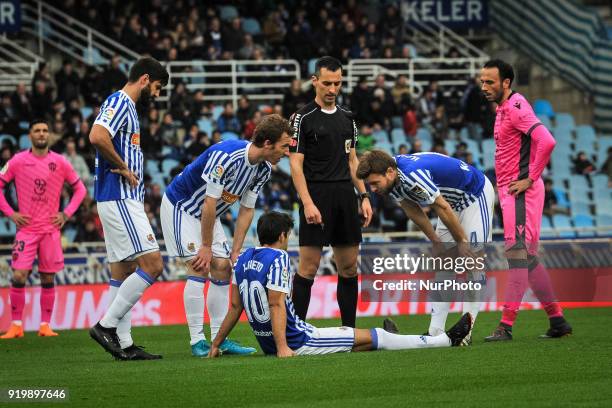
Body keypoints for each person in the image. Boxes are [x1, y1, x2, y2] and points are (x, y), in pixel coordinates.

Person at [208, 211, 473, 358]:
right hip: (299, 340)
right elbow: (276, 303)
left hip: (275, 340)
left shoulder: (243, 259)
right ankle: (443, 341)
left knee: (355, 338)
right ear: (282, 235)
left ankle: (397, 337)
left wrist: (216, 343)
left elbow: (234, 306)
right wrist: (282, 348)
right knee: (371, 336)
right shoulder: (277, 257)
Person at [160, 114, 292, 357]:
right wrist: (206, 246)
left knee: (223, 267)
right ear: (267, 144)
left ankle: (219, 339)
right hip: (183, 206)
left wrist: (235, 250)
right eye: (284, 146)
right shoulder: (227, 156)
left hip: (211, 214)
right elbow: (208, 202)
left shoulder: (262, 170)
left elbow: (246, 209)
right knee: (200, 265)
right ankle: (197, 341)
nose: (287, 152)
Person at [356, 150, 494, 343]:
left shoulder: (412, 175)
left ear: (389, 172)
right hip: (450, 203)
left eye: (374, 183)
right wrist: (436, 242)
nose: (372, 189)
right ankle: (435, 332)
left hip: (475, 197)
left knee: (473, 263)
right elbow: (412, 209)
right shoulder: (392, 180)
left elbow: (441, 207)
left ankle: (466, 333)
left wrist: (462, 241)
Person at [480, 59, 572, 341]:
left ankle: (506, 325)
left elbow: (547, 141)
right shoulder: (503, 108)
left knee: (518, 257)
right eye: (482, 81)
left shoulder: (517, 107)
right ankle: (557, 321)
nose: (484, 87)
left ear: (506, 83)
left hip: (521, 192)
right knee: (528, 259)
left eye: (490, 82)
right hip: (512, 192)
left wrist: (530, 178)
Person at [88, 57, 169, 360]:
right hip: (120, 196)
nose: (158, 95)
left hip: (117, 197)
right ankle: (105, 326)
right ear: (145, 79)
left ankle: (123, 343)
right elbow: (97, 136)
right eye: (158, 87)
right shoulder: (121, 101)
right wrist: (123, 167)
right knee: (153, 265)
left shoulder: (128, 107)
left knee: (122, 271)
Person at [289, 56, 373, 328]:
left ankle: (349, 331)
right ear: (315, 81)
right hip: (316, 196)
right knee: (308, 268)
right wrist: (307, 203)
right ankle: (297, 334)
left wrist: (364, 195)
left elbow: (352, 161)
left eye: (337, 83)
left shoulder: (348, 117)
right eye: (327, 83)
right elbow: (295, 164)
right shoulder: (302, 118)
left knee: (348, 268)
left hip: (345, 198)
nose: (332, 89)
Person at [0, 119, 86, 339]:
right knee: (19, 275)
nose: (41, 134)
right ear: (30, 135)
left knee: (48, 278)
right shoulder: (18, 161)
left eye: (45, 130)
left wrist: (66, 214)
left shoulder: (60, 162)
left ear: (49, 135)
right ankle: (16, 325)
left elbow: (80, 190)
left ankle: (45, 325)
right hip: (27, 231)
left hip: (50, 231)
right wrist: (11, 214)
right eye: (37, 130)